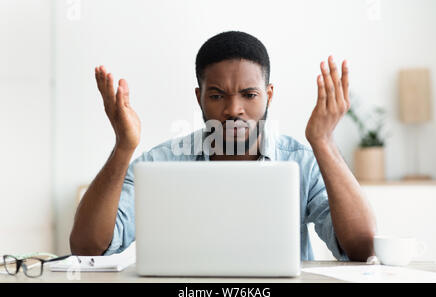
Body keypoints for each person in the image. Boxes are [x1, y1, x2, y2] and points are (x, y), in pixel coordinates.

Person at [70, 31, 376, 261]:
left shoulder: (302, 162)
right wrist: (123, 147)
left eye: (249, 94)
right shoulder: (161, 163)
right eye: (216, 95)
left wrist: (323, 143)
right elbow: (87, 247)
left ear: (269, 95)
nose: (233, 109)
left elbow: (362, 247)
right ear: (199, 97)